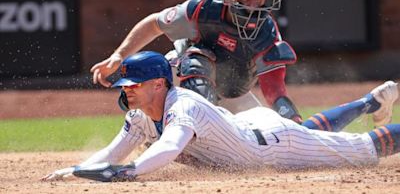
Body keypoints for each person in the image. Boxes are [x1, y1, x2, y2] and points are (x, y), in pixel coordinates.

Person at [42, 51, 399, 182]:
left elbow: (170, 146)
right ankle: (369, 102)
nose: (127, 89)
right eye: (125, 84)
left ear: (157, 84)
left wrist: (132, 173)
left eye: (134, 83)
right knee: (316, 137)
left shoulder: (183, 106)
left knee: (365, 149)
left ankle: (370, 103)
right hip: (256, 129)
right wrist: (75, 170)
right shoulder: (141, 115)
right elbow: (114, 151)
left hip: (277, 147)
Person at [90, 0, 303, 123]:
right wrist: (119, 55)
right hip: (181, 76)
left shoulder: (267, 32)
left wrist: (292, 119)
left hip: (232, 93)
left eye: (259, 0)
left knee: (263, 133)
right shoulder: (203, 9)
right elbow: (155, 24)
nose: (253, 7)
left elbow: (274, 90)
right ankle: (148, 125)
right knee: (196, 62)